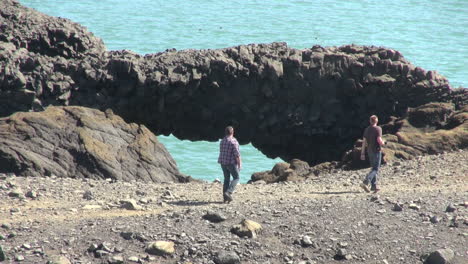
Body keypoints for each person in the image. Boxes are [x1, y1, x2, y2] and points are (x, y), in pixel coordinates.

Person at [360, 115, 385, 193]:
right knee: (376, 169)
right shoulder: (378, 128)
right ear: (376, 121)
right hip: (376, 151)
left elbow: (364, 142)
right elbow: (379, 140)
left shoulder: (367, 130)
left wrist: (362, 153)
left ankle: (373, 186)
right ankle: (366, 181)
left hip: (369, 151)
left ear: (370, 121)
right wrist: (384, 143)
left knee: (373, 168)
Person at [218, 126, 242, 203]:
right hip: (231, 163)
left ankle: (225, 198)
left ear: (225, 132)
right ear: (232, 132)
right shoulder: (233, 141)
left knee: (226, 179)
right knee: (236, 178)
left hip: (223, 162)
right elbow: (237, 155)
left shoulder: (222, 141)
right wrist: (239, 164)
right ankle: (228, 192)